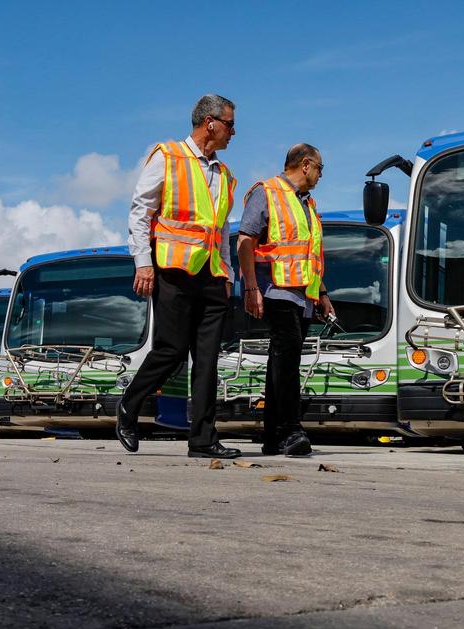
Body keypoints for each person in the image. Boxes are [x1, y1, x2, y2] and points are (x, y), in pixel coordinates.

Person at [116, 94, 242, 459]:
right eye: (231, 125)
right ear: (211, 123)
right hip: (173, 270)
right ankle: (129, 405)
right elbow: (141, 212)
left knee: (207, 360)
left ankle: (202, 440)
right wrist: (142, 262)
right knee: (171, 351)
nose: (234, 133)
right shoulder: (167, 157)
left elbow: (220, 230)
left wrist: (228, 273)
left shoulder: (225, 175)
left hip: (212, 276)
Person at [236, 143, 333, 456]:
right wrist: (250, 289)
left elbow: (310, 255)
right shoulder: (267, 192)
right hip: (275, 291)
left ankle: (274, 436)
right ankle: (291, 430)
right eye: (319, 168)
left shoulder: (307, 203)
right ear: (305, 165)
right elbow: (245, 242)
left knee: (281, 363)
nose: (320, 175)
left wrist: (322, 294)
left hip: (302, 296)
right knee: (286, 360)